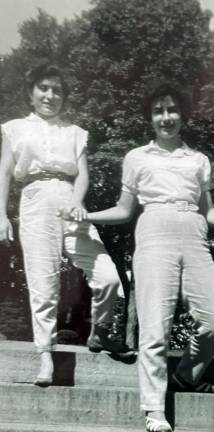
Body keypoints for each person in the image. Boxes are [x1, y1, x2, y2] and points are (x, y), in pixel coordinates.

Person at [60, 82, 214, 432]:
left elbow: (209, 212)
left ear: (183, 115)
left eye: (172, 110)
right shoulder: (137, 158)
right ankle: (155, 410)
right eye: (159, 111)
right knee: (155, 326)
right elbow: (125, 211)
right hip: (153, 231)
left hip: (194, 234)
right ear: (151, 117)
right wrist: (87, 215)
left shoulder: (198, 160)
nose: (166, 117)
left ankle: (186, 375)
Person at [0, 63, 132, 387]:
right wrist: (1, 214)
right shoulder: (14, 129)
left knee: (108, 277)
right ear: (31, 93)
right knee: (44, 285)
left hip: (70, 201)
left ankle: (99, 331)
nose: (50, 95)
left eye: (57, 90)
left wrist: (76, 200)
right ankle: (45, 354)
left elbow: (83, 174)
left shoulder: (75, 132)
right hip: (34, 200)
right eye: (44, 88)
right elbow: (4, 172)